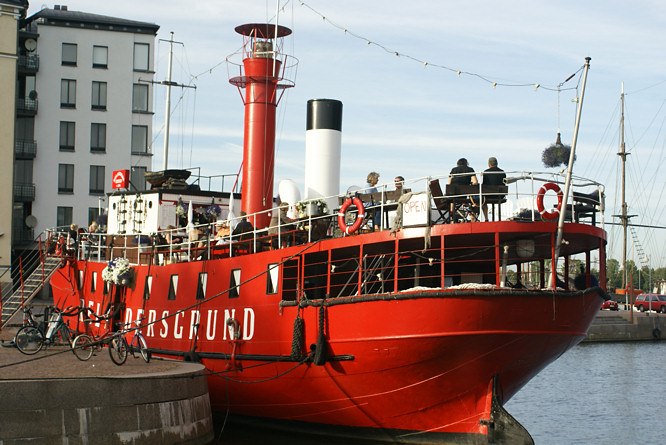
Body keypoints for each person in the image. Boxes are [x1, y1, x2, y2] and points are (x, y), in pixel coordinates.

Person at [481, 157, 506, 221]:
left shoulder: (486, 172)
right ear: (497, 164)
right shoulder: (502, 172)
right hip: (500, 195)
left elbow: (484, 184)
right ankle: (499, 219)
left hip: (488, 195)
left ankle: (486, 218)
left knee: (482, 200)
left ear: (489, 164)